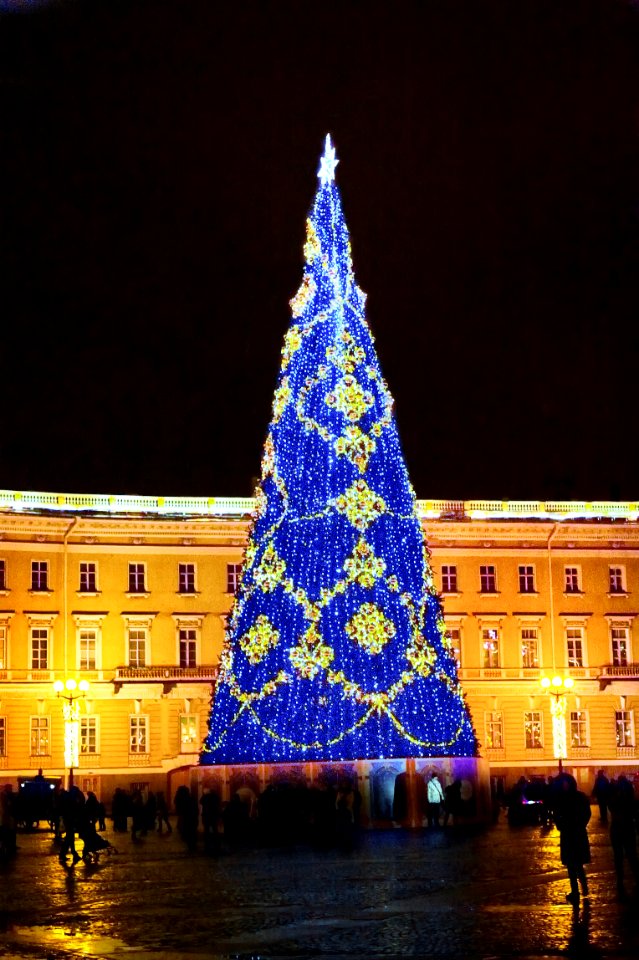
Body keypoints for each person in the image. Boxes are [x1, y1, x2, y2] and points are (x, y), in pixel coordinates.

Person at [552, 773, 591, 905]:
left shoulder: (575, 797)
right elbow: (556, 814)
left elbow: (586, 813)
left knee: (577, 863)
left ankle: (581, 888)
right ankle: (576, 890)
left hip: (574, 832)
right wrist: (561, 825)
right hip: (571, 833)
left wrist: (578, 824)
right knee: (571, 864)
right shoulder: (566, 798)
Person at [607, 774, 639, 901]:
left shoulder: (614, 797)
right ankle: (636, 876)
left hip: (617, 829)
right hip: (628, 827)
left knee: (618, 857)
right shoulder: (631, 796)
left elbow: (611, 807)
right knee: (631, 855)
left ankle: (620, 880)